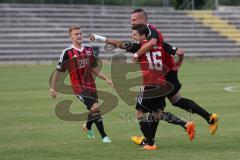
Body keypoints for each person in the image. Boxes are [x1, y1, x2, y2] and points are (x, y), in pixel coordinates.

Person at [89, 25, 195, 150]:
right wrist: (178, 63)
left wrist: (98, 37)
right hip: (163, 84)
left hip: (150, 85)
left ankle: (150, 144)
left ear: (143, 36)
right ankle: (185, 124)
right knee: (157, 113)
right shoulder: (162, 45)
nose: (132, 36)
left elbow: (118, 43)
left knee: (140, 113)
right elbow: (179, 52)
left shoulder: (138, 47)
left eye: (134, 34)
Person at [130, 8, 219, 136]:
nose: (131, 23)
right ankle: (210, 118)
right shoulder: (149, 32)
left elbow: (152, 45)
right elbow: (177, 51)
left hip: (162, 74)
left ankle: (150, 141)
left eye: (133, 20)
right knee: (174, 102)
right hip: (168, 71)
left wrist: (136, 55)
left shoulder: (153, 33)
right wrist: (178, 63)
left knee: (157, 109)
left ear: (142, 20)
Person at [49, 25, 112, 143]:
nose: (79, 36)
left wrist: (107, 79)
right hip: (78, 87)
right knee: (95, 107)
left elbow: (94, 68)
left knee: (94, 110)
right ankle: (104, 136)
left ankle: (87, 126)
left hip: (91, 85)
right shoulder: (67, 53)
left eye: (80, 34)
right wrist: (53, 87)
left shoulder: (89, 50)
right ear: (70, 37)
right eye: (76, 34)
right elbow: (58, 70)